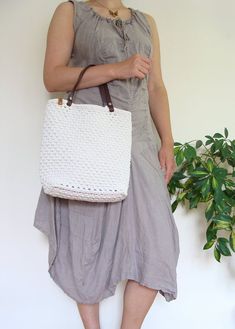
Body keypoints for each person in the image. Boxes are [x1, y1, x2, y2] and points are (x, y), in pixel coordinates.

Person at [34, 0, 180, 328]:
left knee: (158, 245)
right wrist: (117, 69)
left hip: (140, 142)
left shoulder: (146, 22)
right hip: (90, 142)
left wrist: (167, 141)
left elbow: (155, 87)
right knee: (86, 239)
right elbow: (52, 77)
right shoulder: (71, 11)